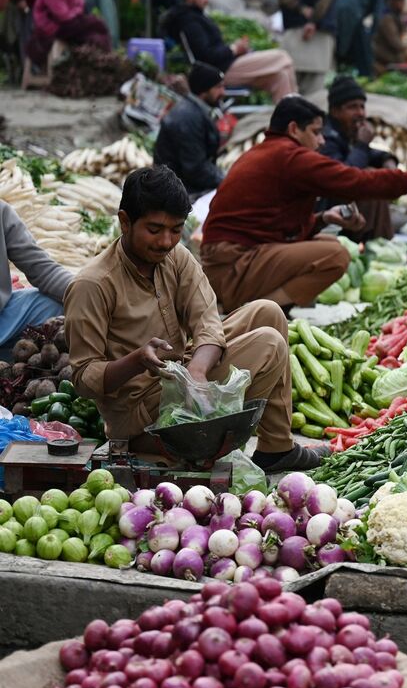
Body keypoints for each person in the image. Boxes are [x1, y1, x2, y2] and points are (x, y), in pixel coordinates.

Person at [65, 167, 326, 473]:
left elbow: (207, 319)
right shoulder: (93, 284)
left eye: (176, 230)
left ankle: (276, 448)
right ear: (125, 221)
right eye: (155, 229)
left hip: (181, 374)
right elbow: (84, 377)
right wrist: (137, 360)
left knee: (267, 312)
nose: (166, 241)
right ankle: (191, 445)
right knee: (270, 344)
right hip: (142, 413)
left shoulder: (175, 257)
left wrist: (197, 373)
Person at [201, 97, 407, 312]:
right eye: (315, 133)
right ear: (294, 130)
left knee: (328, 245)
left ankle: (261, 307)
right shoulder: (289, 156)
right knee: (335, 256)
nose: (321, 141)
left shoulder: (269, 152)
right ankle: (257, 312)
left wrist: (325, 218)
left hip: (235, 256)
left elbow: (275, 226)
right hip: (230, 264)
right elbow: (356, 181)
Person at [161, 0, 299, 103]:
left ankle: (289, 123)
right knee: (282, 57)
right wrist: (234, 48)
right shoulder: (189, 21)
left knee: (281, 77)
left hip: (227, 64)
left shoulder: (195, 17)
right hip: (221, 70)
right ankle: (296, 115)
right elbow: (206, 55)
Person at [317, 76, 399, 242]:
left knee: (379, 176)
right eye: (352, 107)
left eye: (362, 107)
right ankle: (370, 242)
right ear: (335, 111)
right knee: (370, 180)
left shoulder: (345, 131)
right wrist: (362, 144)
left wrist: (387, 159)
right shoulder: (326, 138)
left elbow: (366, 153)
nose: (360, 113)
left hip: (339, 201)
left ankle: (378, 243)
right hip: (325, 208)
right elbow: (343, 177)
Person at [0, 201, 72, 348]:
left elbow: (43, 269)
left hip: (3, 319)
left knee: (61, 307)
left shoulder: (2, 212)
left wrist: (92, 293)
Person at [153, 63, 226, 199]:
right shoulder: (188, 118)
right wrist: (227, 180)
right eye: (218, 87)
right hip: (179, 191)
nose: (223, 92)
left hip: (184, 184)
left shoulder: (195, 110)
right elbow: (195, 169)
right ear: (203, 90)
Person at [332, 0, 385, 78]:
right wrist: (372, 35)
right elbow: (377, 17)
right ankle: (341, 66)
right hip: (351, 10)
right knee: (347, 41)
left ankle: (343, 65)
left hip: (340, 5)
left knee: (345, 38)